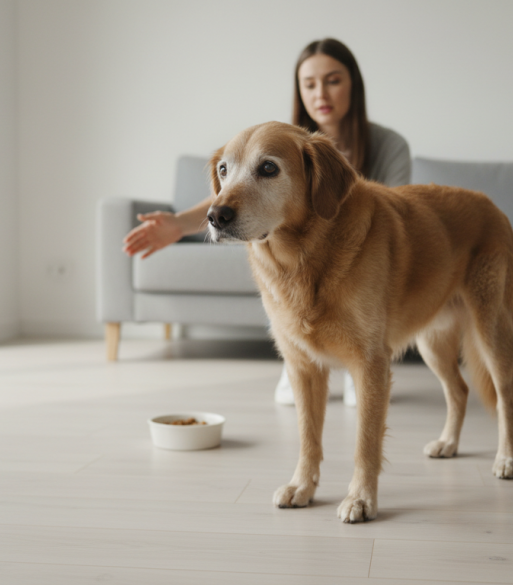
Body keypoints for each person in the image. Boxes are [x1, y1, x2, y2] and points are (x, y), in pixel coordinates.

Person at [123, 38, 411, 406]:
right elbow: (234, 192)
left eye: (333, 80)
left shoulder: (387, 145)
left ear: (354, 83)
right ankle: (299, 351)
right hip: (296, 267)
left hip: (360, 267)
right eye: (309, 84)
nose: (320, 92)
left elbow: (395, 216)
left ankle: (363, 351)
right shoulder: (278, 140)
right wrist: (178, 224)